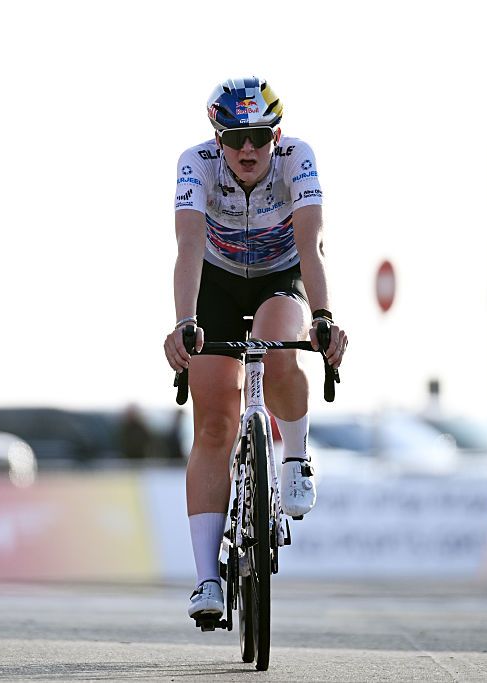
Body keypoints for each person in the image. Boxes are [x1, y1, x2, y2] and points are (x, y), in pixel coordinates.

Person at [163, 77, 348, 621]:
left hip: (280, 276)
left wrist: (323, 318)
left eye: (260, 136)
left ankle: (294, 457)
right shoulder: (195, 163)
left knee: (278, 349)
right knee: (215, 424)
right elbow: (189, 245)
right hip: (216, 282)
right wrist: (185, 323)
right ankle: (206, 581)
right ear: (218, 137)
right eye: (237, 137)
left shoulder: (297, 158)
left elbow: (311, 242)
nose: (249, 149)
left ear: (277, 135)